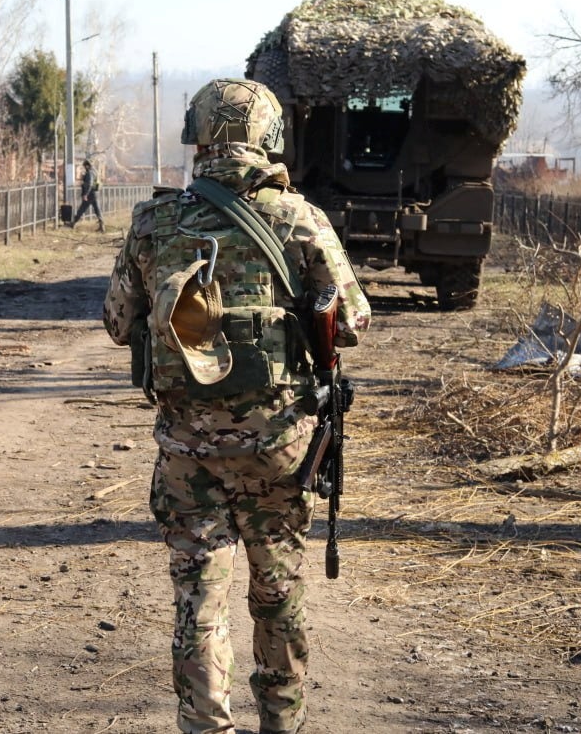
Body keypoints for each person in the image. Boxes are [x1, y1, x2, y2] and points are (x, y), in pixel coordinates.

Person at [103, 78, 371, 733]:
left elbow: (116, 321)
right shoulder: (301, 219)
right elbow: (355, 318)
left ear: (197, 135)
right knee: (277, 599)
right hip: (278, 449)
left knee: (199, 607)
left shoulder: (154, 222)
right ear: (270, 136)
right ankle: (283, 721)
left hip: (188, 454)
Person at [71, 159, 104, 231]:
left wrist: (86, 194)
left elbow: (90, 184)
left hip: (90, 195)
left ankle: (73, 223)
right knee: (97, 210)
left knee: (82, 209)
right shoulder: (95, 172)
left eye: (85, 166)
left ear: (87, 166)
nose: (84, 168)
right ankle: (102, 226)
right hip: (95, 193)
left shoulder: (90, 173)